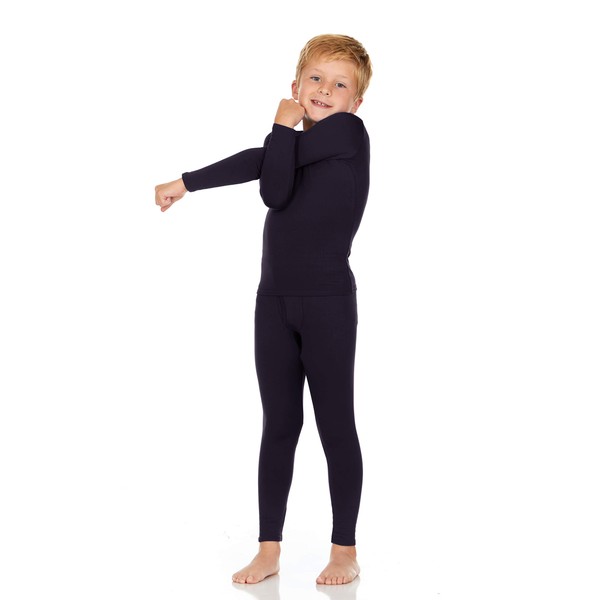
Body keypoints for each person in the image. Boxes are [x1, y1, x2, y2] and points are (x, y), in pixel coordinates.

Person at [154, 33, 372, 586]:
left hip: (327, 305)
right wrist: (186, 183)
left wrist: (280, 125)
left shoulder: (349, 134)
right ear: (296, 85)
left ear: (357, 101)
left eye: (340, 84)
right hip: (272, 303)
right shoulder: (292, 147)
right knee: (279, 425)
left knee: (335, 425)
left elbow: (272, 190)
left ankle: (344, 550)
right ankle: (268, 548)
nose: (325, 90)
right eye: (315, 78)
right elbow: (267, 167)